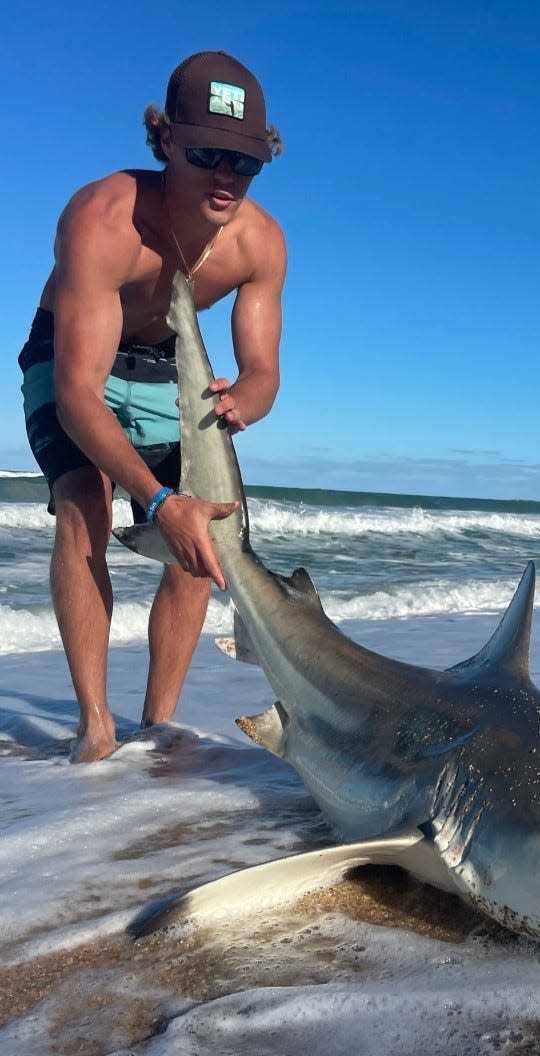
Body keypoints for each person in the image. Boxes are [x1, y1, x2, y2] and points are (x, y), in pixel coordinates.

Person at [18, 51, 287, 763]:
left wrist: (245, 403)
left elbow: (262, 372)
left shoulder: (260, 243)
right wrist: (157, 497)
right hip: (73, 360)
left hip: (169, 366)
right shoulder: (104, 219)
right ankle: (95, 724)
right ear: (165, 140)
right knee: (85, 505)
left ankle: (157, 724)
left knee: (201, 538)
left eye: (245, 162)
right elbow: (78, 394)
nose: (226, 178)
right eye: (207, 154)